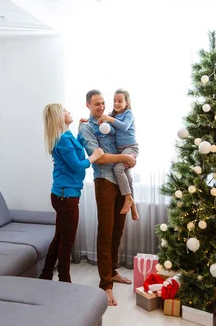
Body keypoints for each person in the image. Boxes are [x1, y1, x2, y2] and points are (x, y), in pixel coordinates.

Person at [79, 90, 137, 306]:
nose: (102, 107)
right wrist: (125, 157)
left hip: (120, 182)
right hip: (105, 182)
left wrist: (130, 158)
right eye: (97, 104)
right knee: (105, 232)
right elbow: (99, 158)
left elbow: (125, 133)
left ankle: (112, 272)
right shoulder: (86, 127)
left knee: (117, 231)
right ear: (87, 105)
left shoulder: (110, 120)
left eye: (103, 103)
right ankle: (105, 285)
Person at [39, 103, 104, 283]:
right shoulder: (63, 139)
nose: (69, 112)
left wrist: (77, 130)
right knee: (67, 240)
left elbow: (73, 151)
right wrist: (94, 157)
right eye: (65, 111)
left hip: (62, 194)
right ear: (59, 117)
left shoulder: (66, 136)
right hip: (65, 196)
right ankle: (65, 280)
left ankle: (45, 275)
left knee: (60, 237)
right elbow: (76, 166)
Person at [97, 89, 139, 220]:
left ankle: (127, 198)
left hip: (130, 148)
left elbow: (125, 126)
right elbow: (114, 131)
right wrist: (104, 123)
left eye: (120, 101)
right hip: (121, 150)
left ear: (126, 103)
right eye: (114, 101)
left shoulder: (128, 114)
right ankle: (133, 207)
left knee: (117, 169)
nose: (116, 103)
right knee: (127, 175)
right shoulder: (113, 115)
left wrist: (110, 119)